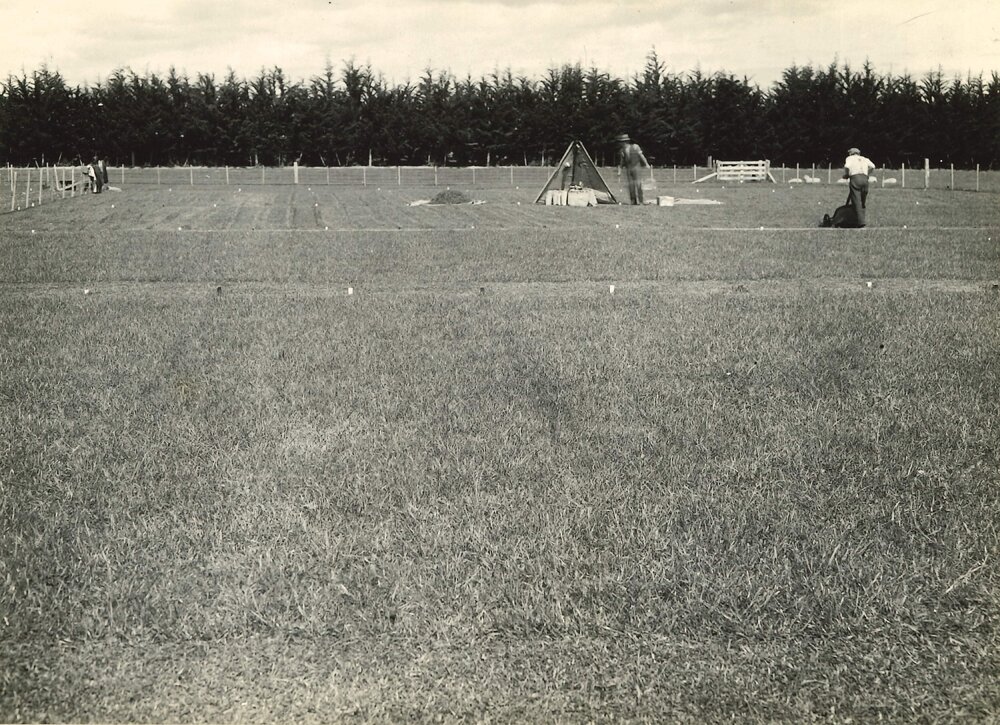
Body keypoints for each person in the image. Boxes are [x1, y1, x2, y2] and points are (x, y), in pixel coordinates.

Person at [843, 146, 876, 227]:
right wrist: (867, 173)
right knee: (862, 200)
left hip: (855, 178)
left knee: (856, 200)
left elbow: (847, 166)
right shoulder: (864, 159)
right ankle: (861, 218)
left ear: (851, 153)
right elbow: (873, 166)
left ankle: (860, 222)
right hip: (865, 179)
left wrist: (847, 174)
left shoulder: (849, 158)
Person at [616, 133, 650, 205]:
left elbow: (641, 156)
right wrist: (620, 170)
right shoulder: (622, 150)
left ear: (625, 142)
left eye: (622, 142)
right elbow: (622, 161)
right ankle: (633, 200)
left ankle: (641, 200)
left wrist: (646, 164)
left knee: (638, 184)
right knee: (631, 185)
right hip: (629, 168)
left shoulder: (635, 147)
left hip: (636, 167)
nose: (621, 144)